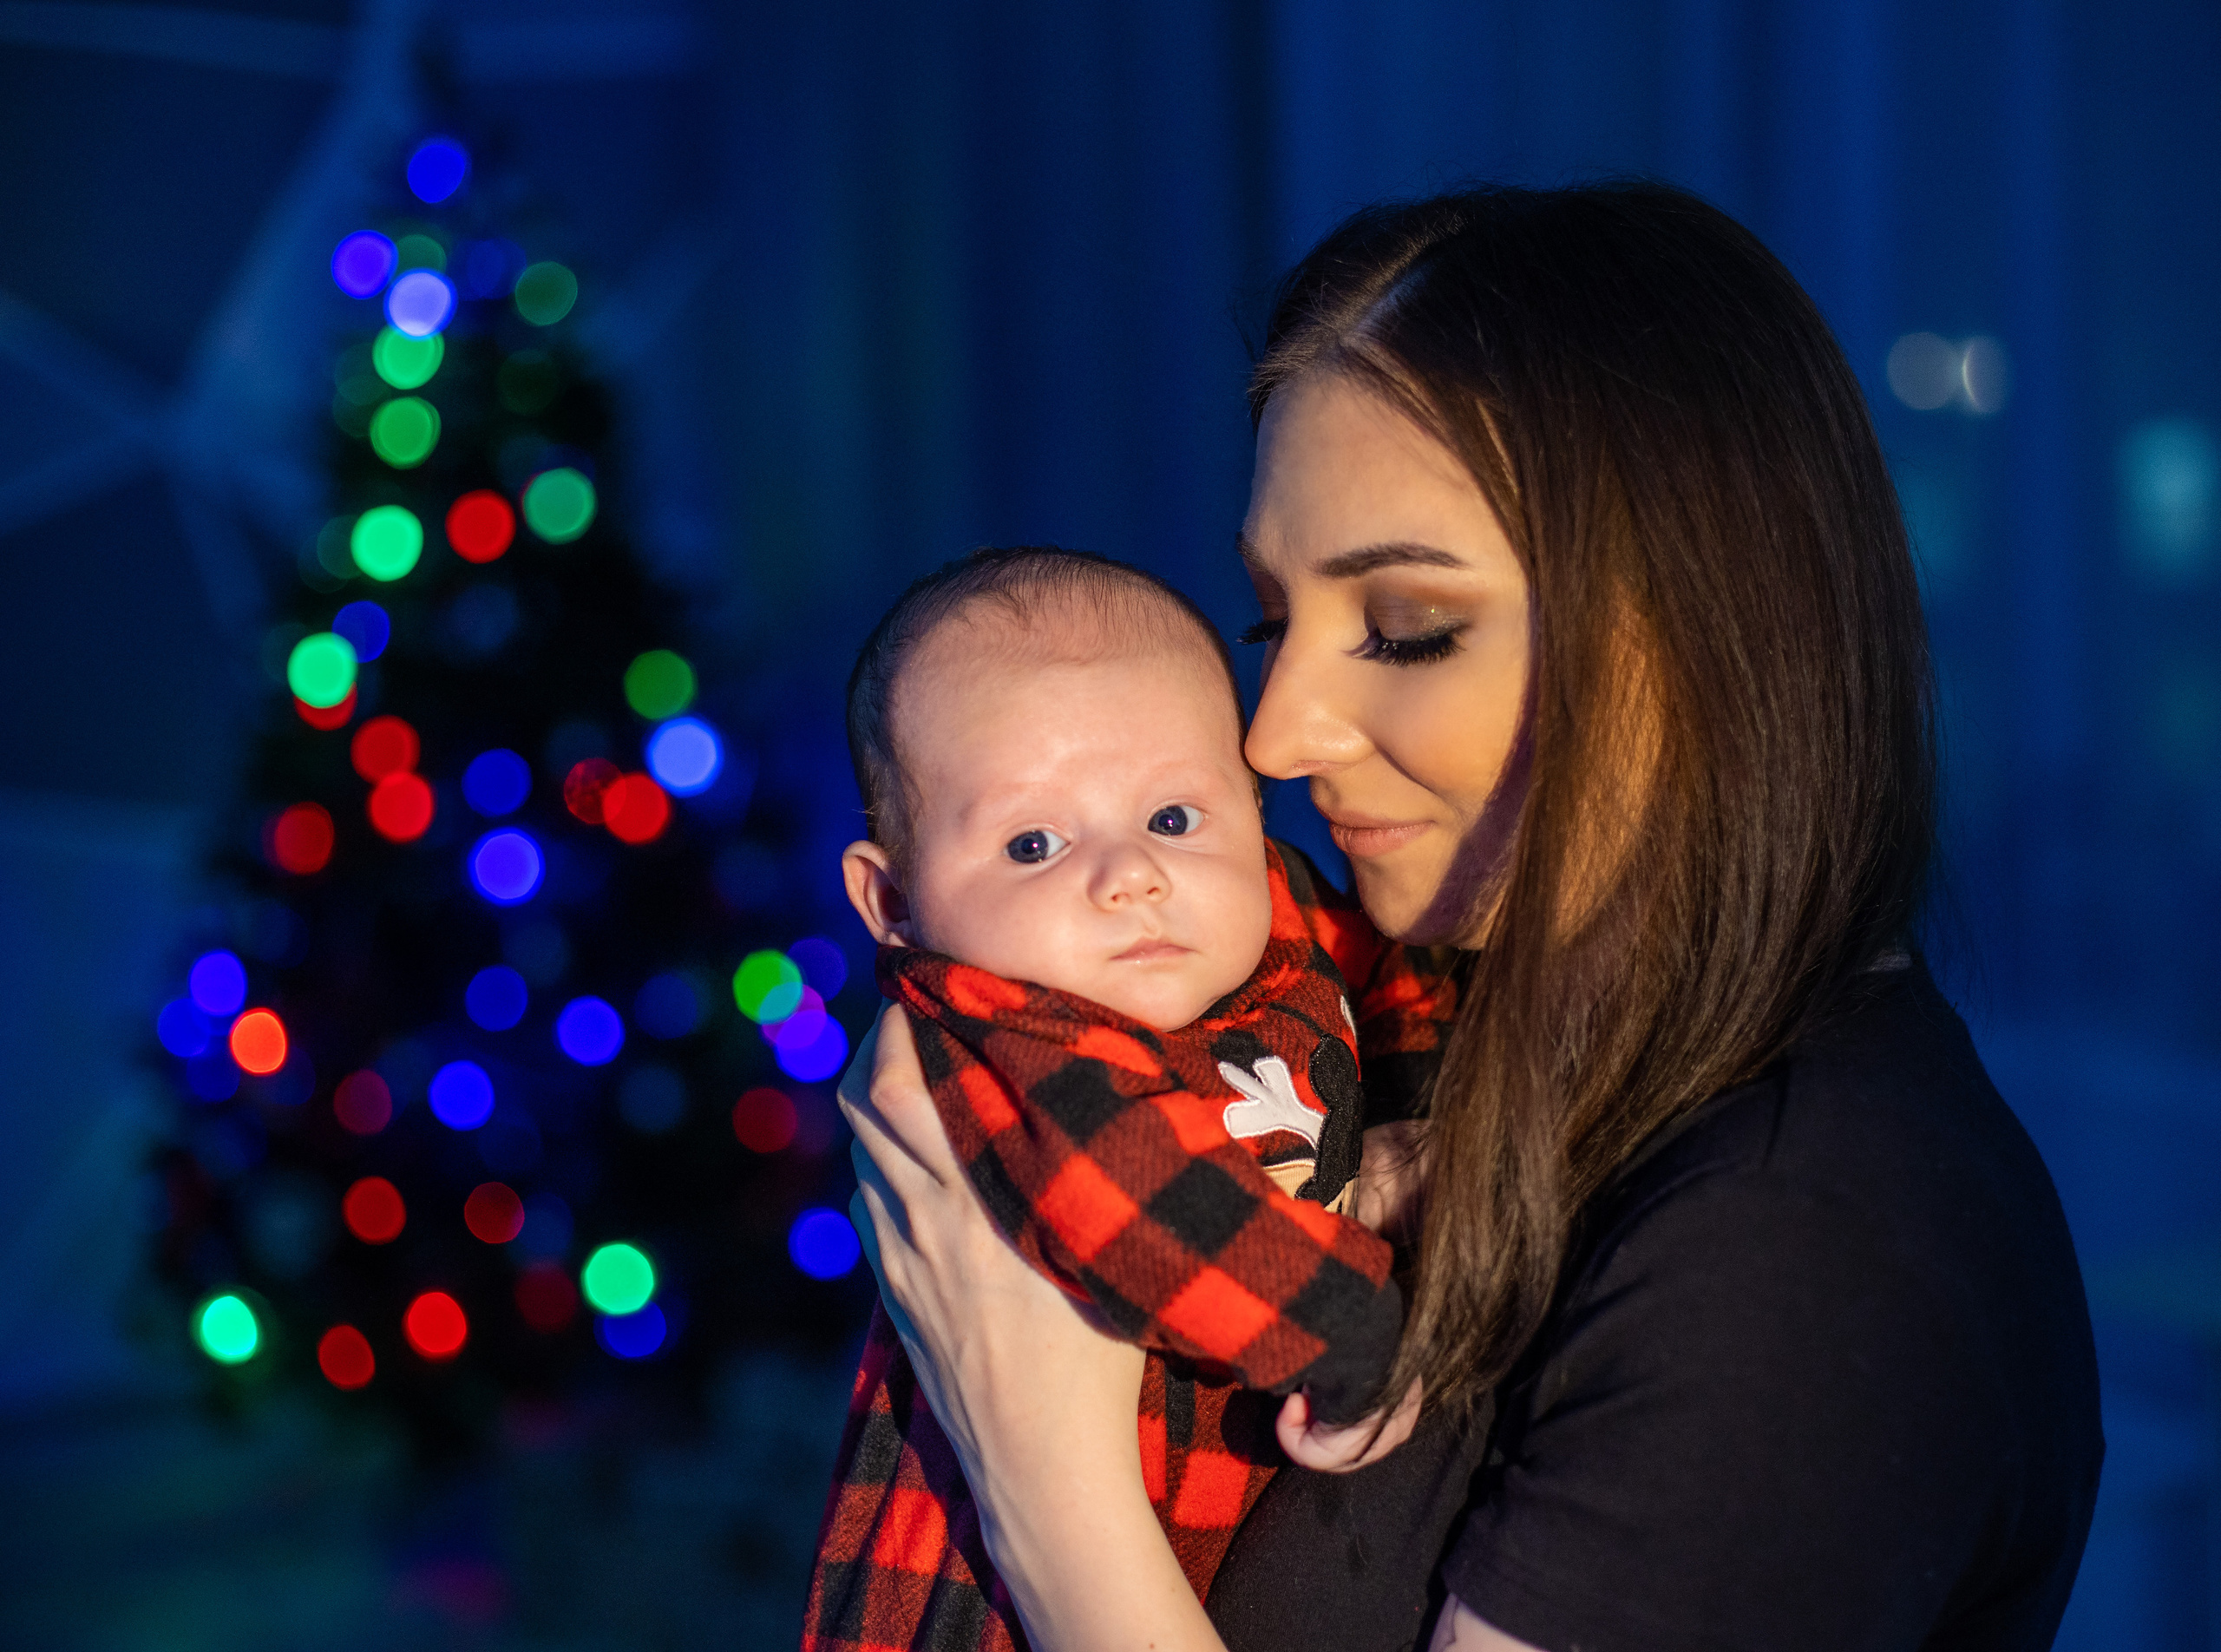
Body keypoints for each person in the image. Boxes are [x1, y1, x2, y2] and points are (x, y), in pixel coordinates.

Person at [840, 181, 2104, 1652]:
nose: (1272, 736)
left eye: (1407, 627)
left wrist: (1033, 1459)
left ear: (1694, 633)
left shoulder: (1802, 1255)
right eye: (1270, 623)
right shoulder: (1428, 1032)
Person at [807, 547, 1458, 1652]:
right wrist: (1353, 1346)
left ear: (1249, 809)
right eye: (1033, 842)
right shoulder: (999, 1033)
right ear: (894, 900)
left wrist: (1447, 1108)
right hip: (977, 1604)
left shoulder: (1259, 901)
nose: (1129, 875)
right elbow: (1144, 1200)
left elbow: (1387, 984)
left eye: (1170, 816)